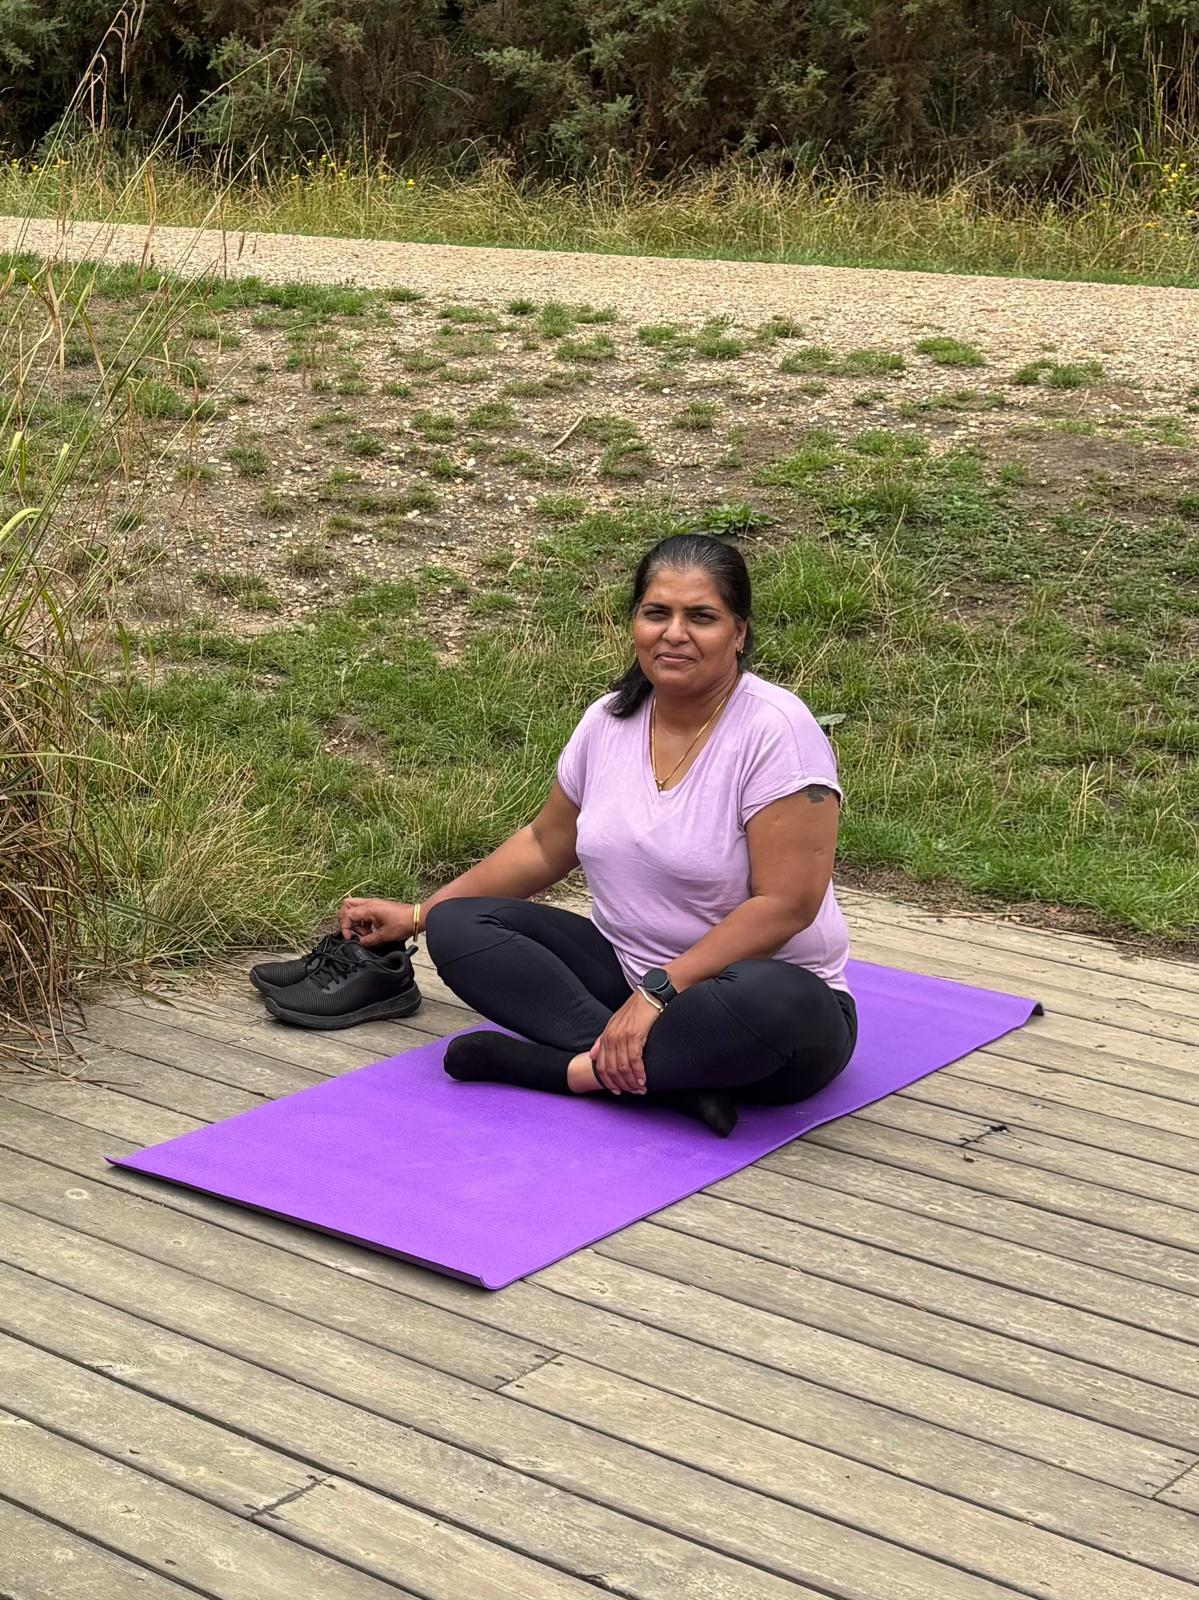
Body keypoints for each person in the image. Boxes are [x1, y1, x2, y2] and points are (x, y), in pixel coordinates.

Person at [339, 532, 856, 1136]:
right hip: (624, 980)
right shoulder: (609, 720)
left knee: (775, 1000)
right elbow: (544, 843)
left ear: (738, 633)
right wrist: (418, 912)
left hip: (752, 1006)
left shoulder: (777, 733)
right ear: (635, 623)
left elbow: (787, 905)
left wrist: (659, 995)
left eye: (703, 617)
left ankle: (566, 1071)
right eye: (656, 613)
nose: (675, 633)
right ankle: (657, 1079)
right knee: (460, 924)